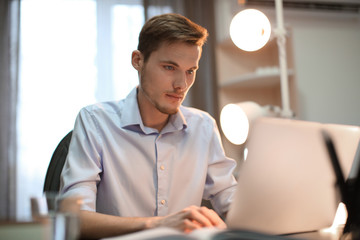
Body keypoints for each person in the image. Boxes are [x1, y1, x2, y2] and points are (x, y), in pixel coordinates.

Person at [60, 13, 237, 239]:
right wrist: (160, 224)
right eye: (169, 67)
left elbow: (229, 195)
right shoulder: (95, 121)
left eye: (190, 71)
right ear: (138, 61)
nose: (181, 84)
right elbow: (73, 219)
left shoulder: (203, 126)